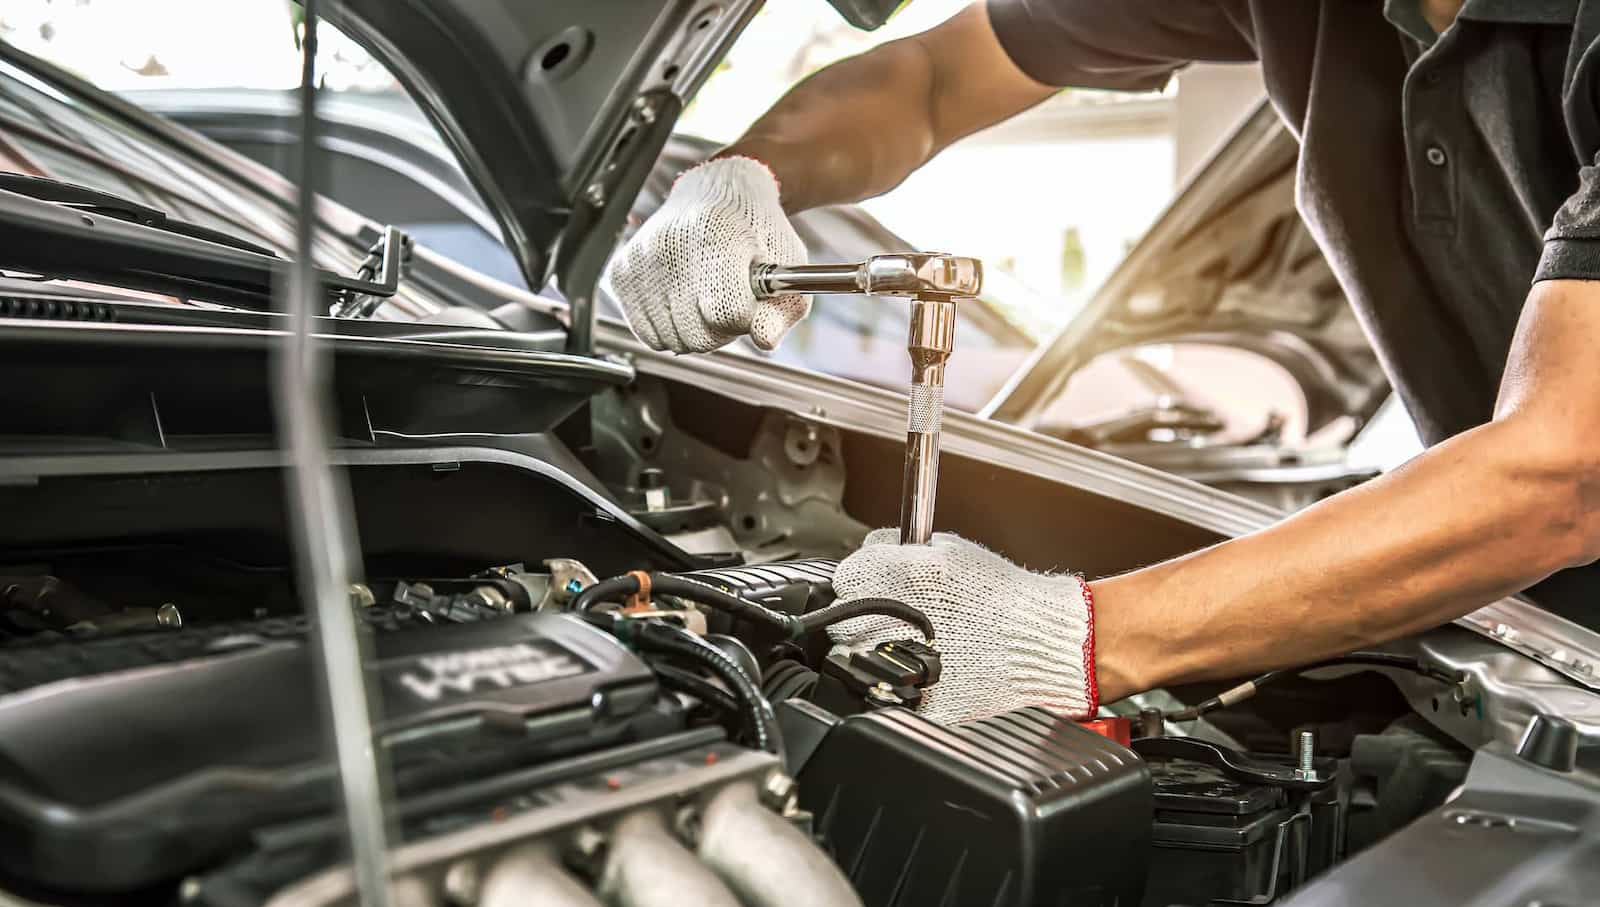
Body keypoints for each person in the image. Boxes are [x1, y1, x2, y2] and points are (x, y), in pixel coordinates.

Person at [609, 1, 1600, 722]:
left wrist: (1080, 634)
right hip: (1543, 626)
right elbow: (938, 76)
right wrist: (736, 177)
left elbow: (1566, 468)